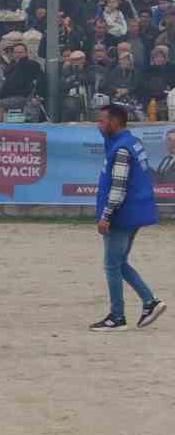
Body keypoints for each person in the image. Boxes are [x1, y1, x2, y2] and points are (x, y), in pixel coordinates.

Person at [90, 104, 165, 332]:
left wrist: (106, 215)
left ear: (115, 122)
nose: (98, 125)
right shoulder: (131, 142)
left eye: (102, 121)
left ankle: (117, 316)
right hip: (133, 213)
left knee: (112, 265)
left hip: (121, 215)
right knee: (119, 263)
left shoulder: (121, 149)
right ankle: (149, 302)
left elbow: (118, 188)